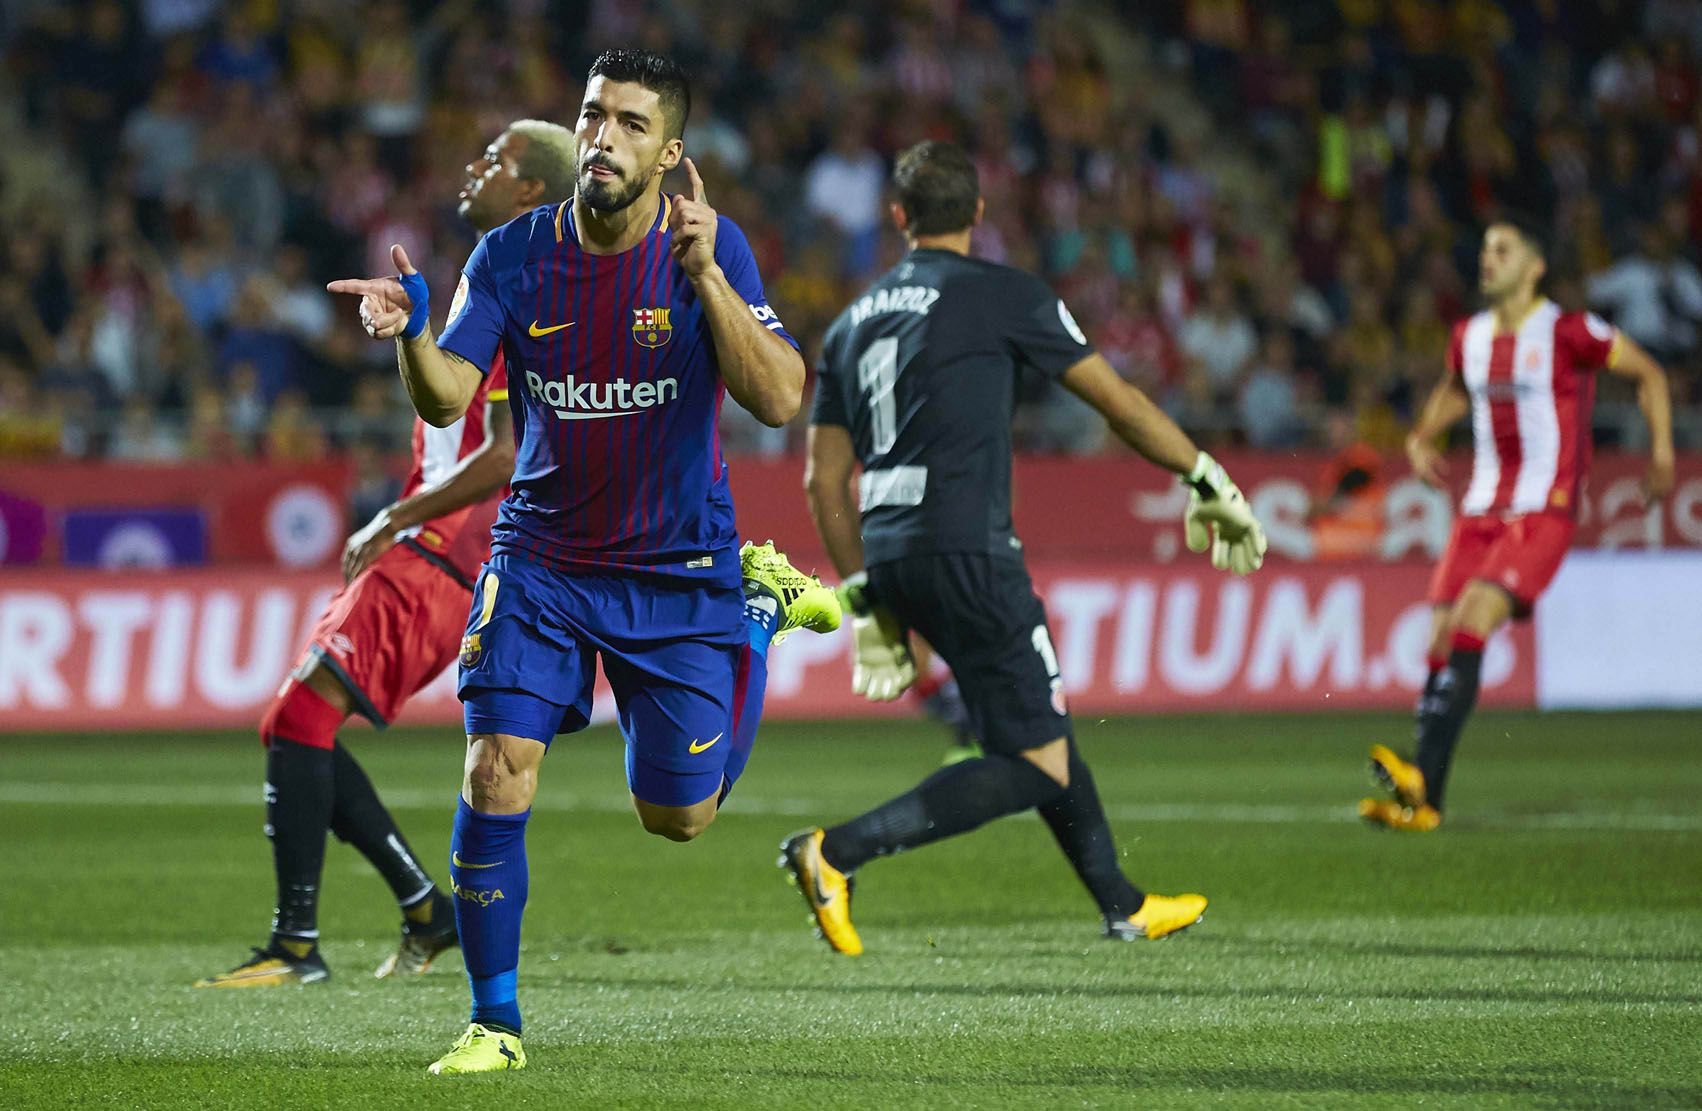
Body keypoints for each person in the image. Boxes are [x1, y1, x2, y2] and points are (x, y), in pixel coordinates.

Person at [328, 50, 840, 1075]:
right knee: (493, 767)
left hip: (679, 564)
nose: (604, 137)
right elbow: (443, 396)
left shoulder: (712, 247)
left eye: (632, 124)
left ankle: (754, 613)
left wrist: (702, 277)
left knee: (678, 817)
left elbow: (781, 398)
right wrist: (412, 331)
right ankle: (494, 1024)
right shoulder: (512, 257)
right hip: (543, 560)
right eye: (594, 115)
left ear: (669, 152)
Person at [787, 140, 1267, 956]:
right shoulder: (1003, 293)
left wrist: (867, 598)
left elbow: (820, 482)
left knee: (1037, 723)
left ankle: (1121, 899)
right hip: (970, 548)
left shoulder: (847, 326)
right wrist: (1205, 474)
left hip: (894, 547)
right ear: (978, 214)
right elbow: (1113, 400)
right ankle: (838, 851)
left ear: (898, 218)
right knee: (1034, 760)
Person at [195, 121, 577, 989]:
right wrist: (415, 328)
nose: (474, 166)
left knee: (297, 719)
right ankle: (422, 909)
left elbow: (505, 450)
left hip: (440, 555)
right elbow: (458, 415)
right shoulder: (499, 275)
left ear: (529, 192)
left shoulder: (535, 279)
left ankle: (298, 945)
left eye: (497, 160)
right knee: (293, 725)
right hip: (431, 553)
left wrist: (393, 516)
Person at [1360, 216, 1675, 832]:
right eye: (1483, 249)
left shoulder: (1567, 329)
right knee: (1438, 640)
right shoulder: (1470, 335)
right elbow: (1457, 388)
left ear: (1534, 268)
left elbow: (1650, 374)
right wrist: (1424, 434)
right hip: (1480, 509)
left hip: (1541, 509)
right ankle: (1426, 802)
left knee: (1475, 619)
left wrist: (1661, 452)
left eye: (1502, 250)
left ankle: (1420, 778)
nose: (1488, 259)